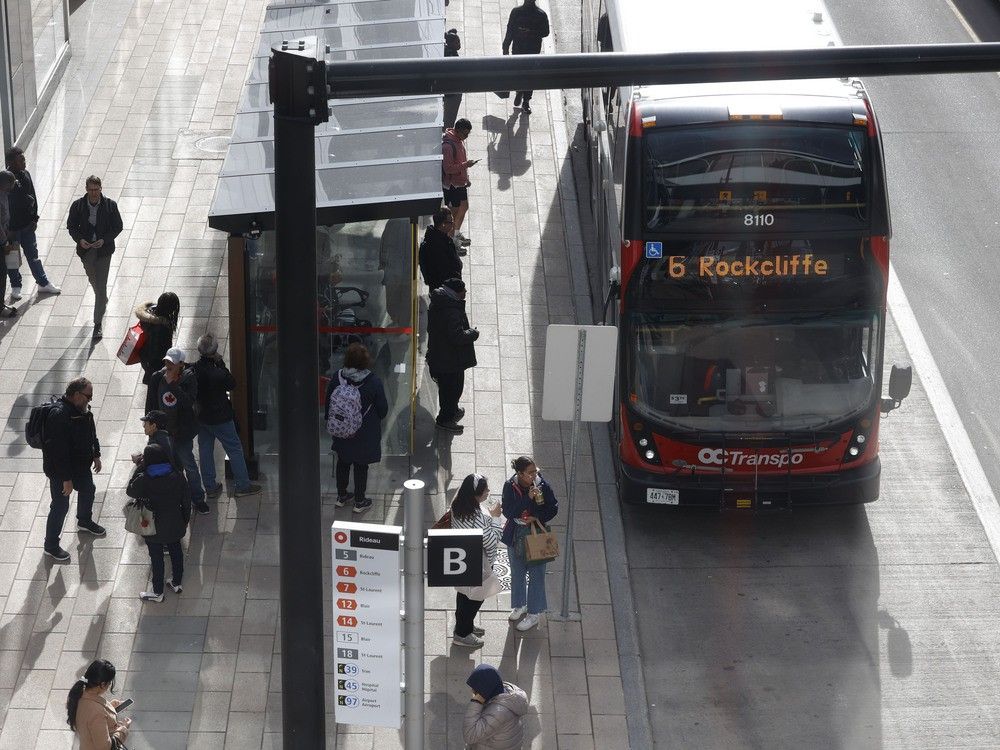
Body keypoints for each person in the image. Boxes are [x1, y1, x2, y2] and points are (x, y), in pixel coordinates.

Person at [42, 377, 105, 562]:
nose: (90, 399)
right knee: (60, 506)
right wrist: (66, 479)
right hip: (62, 472)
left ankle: (84, 521)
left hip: (80, 466)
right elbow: (58, 452)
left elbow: (90, 431)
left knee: (88, 489)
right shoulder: (59, 415)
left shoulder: (81, 410)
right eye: (88, 396)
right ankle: (51, 546)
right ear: (76, 395)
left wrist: (96, 453)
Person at [193, 333, 261, 499]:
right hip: (221, 417)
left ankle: (210, 487)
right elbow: (232, 383)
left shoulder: (193, 369)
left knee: (205, 449)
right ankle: (243, 485)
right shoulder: (218, 373)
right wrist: (221, 363)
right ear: (215, 350)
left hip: (202, 417)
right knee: (234, 449)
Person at [324, 342, 389, 514]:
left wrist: (331, 422)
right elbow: (383, 410)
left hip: (341, 430)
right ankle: (360, 501)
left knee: (343, 462)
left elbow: (328, 402)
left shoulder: (337, 377)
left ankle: (342, 496)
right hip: (363, 432)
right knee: (361, 466)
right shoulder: (373, 382)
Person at [145, 347, 207, 513]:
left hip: (182, 433)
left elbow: (188, 402)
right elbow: (150, 402)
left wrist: (173, 385)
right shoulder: (157, 377)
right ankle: (170, 500)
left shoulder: (189, 378)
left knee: (190, 467)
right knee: (166, 467)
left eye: (172, 362)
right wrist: (148, 422)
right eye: (166, 361)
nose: (168, 364)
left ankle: (198, 499)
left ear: (181, 364)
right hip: (162, 433)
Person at [501, 455, 558, 632]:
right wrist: (527, 498)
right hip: (515, 533)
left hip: (536, 534)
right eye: (530, 472)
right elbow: (509, 511)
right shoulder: (510, 486)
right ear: (520, 473)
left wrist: (537, 516)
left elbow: (553, 507)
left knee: (536, 574)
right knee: (517, 572)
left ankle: (534, 614)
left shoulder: (543, 485)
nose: (534, 475)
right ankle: (520, 605)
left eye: (535, 471)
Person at [127, 444, 191, 602]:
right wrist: (184, 519)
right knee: (176, 552)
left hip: (152, 526)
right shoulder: (177, 476)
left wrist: (140, 467)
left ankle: (157, 592)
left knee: (156, 558)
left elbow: (130, 490)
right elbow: (187, 501)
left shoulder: (144, 479)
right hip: (175, 522)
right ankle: (176, 582)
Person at [66, 175, 124, 340]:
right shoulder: (78, 206)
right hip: (86, 251)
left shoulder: (110, 206)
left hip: (103, 251)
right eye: (90, 189)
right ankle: (102, 297)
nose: (93, 193)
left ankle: (97, 323)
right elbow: (71, 226)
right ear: (86, 189)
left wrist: (104, 239)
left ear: (101, 188)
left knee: (101, 284)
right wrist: (80, 240)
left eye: (96, 189)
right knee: (94, 280)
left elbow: (118, 226)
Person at [451, 474, 503, 648]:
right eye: (485, 490)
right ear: (476, 494)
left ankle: (464, 626)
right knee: (475, 598)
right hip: (478, 563)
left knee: (464, 595)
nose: (488, 492)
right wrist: (496, 517)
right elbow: (492, 540)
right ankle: (462, 634)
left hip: (463, 557)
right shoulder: (476, 516)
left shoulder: (457, 504)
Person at [6, 146, 60, 299]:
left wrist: (34, 218)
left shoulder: (25, 174)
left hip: (27, 226)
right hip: (12, 230)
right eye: (20, 159)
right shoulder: (5, 180)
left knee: (33, 256)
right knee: (12, 258)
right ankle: (16, 286)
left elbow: (33, 197)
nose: (24, 161)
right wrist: (6, 228)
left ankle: (43, 283)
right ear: (11, 162)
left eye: (23, 158)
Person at [426, 277, 479, 434]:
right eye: (463, 290)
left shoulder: (440, 303)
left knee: (450, 388)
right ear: (456, 292)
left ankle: (452, 411)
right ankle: (445, 419)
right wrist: (472, 333)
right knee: (451, 390)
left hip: (443, 356)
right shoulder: (451, 311)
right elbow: (457, 337)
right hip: (449, 360)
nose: (466, 292)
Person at [66, 659, 131, 749]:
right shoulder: (97, 713)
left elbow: (88, 718)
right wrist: (123, 729)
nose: (109, 686)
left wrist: (110, 707)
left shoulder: (79, 694)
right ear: (103, 684)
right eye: (109, 683)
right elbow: (105, 746)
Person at [463, 663, 528, 749]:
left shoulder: (498, 713)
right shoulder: (503, 692)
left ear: (483, 690)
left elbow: (470, 735)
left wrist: (476, 701)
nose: (472, 690)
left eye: (475, 688)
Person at [502, 0, 550, 114]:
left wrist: (530, 32)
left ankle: (526, 101)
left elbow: (545, 32)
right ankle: (519, 91)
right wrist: (505, 46)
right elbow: (510, 29)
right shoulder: (516, 12)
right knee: (518, 73)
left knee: (530, 76)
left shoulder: (540, 14)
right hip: (518, 49)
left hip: (532, 51)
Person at [442, 118, 477, 247]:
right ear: (457, 131)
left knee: (464, 207)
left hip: (460, 183)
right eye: (464, 133)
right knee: (453, 213)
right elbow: (448, 168)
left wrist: (465, 179)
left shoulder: (458, 141)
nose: (466, 136)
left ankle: (455, 234)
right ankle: (450, 240)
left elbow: (461, 161)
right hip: (452, 185)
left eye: (468, 134)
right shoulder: (448, 146)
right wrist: (466, 165)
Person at [135, 292, 180, 384]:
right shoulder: (162, 328)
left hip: (145, 356)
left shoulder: (150, 314)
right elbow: (159, 352)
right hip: (155, 363)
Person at [419, 207, 464, 292]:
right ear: (443, 224)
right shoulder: (436, 245)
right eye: (451, 222)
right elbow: (443, 271)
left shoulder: (441, 238)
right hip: (446, 291)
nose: (453, 224)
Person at [0, 170, 17, 318]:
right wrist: (4, 241)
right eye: (12, 183)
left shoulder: (4, 194)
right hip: (1, 242)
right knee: (1, 274)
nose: (13, 186)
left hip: (4, 237)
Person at [443, 28, 463, 129]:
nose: (459, 44)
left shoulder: (446, 51)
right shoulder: (451, 56)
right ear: (450, 44)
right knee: (449, 120)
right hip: (452, 93)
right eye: (457, 42)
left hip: (449, 92)